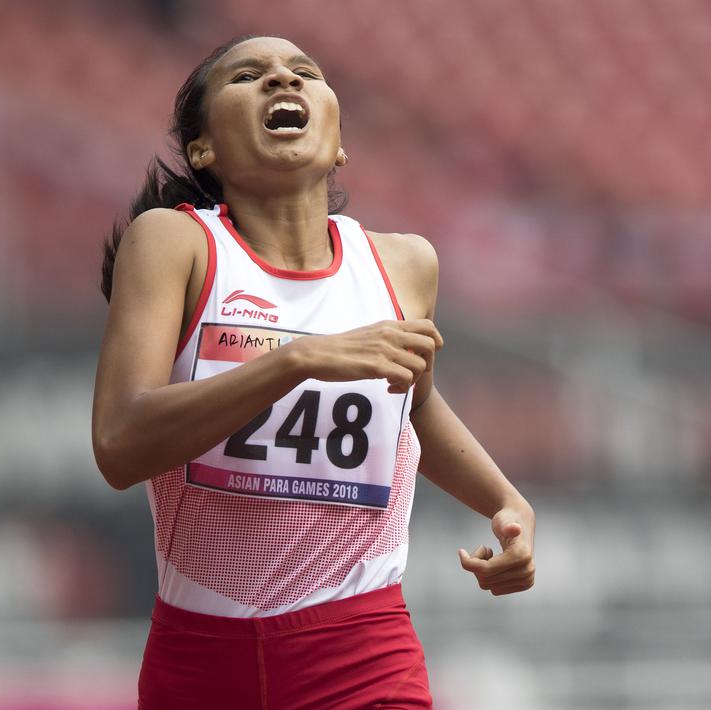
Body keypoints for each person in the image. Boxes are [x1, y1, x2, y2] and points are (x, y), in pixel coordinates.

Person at [90, 35, 536, 708]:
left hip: (361, 649)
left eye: (304, 72)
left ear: (338, 141)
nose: (281, 80)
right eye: (248, 75)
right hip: (203, 658)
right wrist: (296, 361)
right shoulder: (175, 243)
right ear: (204, 148)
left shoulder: (403, 264)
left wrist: (506, 502)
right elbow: (120, 445)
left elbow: (412, 406)